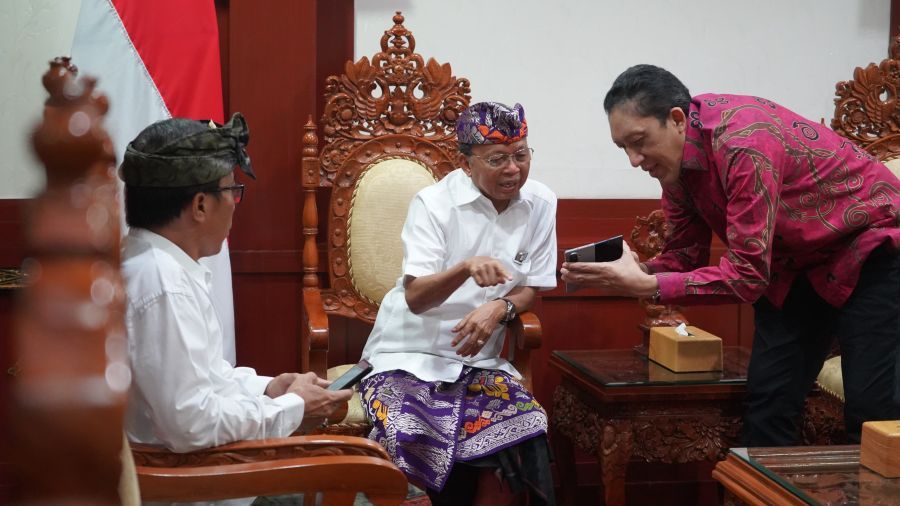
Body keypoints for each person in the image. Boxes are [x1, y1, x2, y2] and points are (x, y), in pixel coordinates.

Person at [561, 64, 900, 446]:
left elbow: (747, 276)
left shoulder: (743, 143)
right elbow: (683, 258)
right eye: (623, 147)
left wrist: (648, 284)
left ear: (676, 119)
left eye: (639, 141)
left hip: (870, 248)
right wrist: (635, 270)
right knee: (767, 405)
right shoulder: (675, 169)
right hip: (792, 268)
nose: (634, 160)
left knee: (871, 416)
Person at [120, 113, 352, 503]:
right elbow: (192, 424)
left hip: (204, 470)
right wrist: (294, 408)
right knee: (365, 480)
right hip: (195, 485)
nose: (235, 204)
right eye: (232, 190)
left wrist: (270, 387)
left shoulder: (156, 263)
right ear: (199, 205)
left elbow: (204, 378)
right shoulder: (163, 285)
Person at [359, 102, 557, 505]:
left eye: (521, 155)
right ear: (466, 164)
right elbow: (415, 298)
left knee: (526, 427)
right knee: (409, 429)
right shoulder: (433, 204)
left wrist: (500, 309)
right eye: (497, 159)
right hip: (406, 355)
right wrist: (465, 268)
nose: (513, 169)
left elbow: (531, 287)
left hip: (478, 361)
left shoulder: (541, 202)